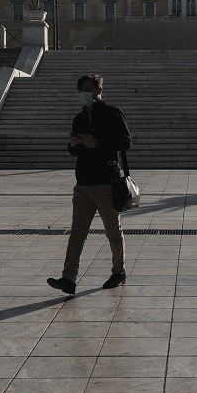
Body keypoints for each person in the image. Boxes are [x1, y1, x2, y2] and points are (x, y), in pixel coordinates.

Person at [47, 73, 133, 295]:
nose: (84, 94)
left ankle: (119, 272)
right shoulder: (80, 118)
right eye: (81, 91)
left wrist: (98, 144)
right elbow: (75, 151)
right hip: (83, 183)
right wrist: (73, 144)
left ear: (98, 90)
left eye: (88, 89)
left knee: (113, 231)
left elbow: (125, 142)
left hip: (106, 182)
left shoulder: (113, 114)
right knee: (77, 232)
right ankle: (68, 278)